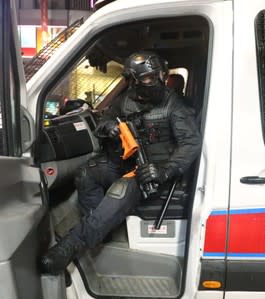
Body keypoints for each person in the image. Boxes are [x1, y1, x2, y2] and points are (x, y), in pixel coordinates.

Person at [40, 51, 202, 275]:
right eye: (146, 78)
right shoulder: (125, 100)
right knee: (86, 173)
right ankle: (98, 232)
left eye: (156, 76)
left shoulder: (173, 105)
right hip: (125, 162)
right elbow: (104, 120)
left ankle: (70, 246)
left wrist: (165, 171)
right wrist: (108, 128)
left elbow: (191, 143)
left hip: (152, 172)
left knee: (119, 191)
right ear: (134, 80)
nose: (154, 82)